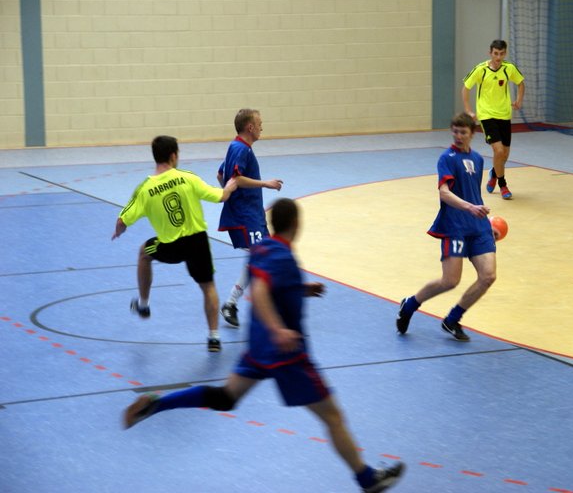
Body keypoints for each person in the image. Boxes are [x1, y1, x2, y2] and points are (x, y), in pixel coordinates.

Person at [123, 198, 405, 493]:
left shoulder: (261, 249)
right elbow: (259, 292)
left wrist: (301, 289)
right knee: (333, 416)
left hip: (258, 348)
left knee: (226, 397)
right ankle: (367, 479)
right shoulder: (283, 256)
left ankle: (157, 404)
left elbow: (267, 283)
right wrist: (278, 330)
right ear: (296, 224)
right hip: (286, 353)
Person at [113, 135, 238, 352]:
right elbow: (220, 197)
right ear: (173, 156)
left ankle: (143, 305)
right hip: (197, 242)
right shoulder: (188, 178)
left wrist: (118, 231)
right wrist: (230, 186)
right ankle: (214, 338)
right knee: (208, 287)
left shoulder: (145, 189)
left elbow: (122, 220)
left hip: (169, 246)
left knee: (144, 252)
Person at [396, 112, 497, 342]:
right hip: (455, 226)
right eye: (455, 132)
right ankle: (409, 305)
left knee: (488, 276)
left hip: (478, 226)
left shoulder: (478, 159)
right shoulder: (447, 158)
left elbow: (472, 192)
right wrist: (470, 208)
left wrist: (482, 217)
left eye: (463, 132)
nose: (458, 136)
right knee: (450, 281)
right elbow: (444, 193)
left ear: (472, 134)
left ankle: (452, 319)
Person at [217, 108, 284, 328]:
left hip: (251, 214)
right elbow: (236, 178)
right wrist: (265, 184)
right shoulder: (241, 149)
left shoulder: (236, 147)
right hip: (246, 217)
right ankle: (238, 304)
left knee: (263, 256)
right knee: (263, 257)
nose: (262, 127)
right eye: (260, 124)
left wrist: (235, 198)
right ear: (250, 127)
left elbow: (221, 174)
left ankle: (234, 303)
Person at [461, 39, 525, 200]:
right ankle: (503, 185)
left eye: (501, 54)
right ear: (490, 53)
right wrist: (468, 110)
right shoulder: (481, 70)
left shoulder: (509, 68)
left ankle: (494, 173)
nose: (498, 57)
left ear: (505, 53)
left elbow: (521, 83)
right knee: (499, 150)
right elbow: (466, 88)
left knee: (505, 154)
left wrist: (519, 101)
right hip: (486, 115)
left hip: (504, 114)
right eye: (495, 54)